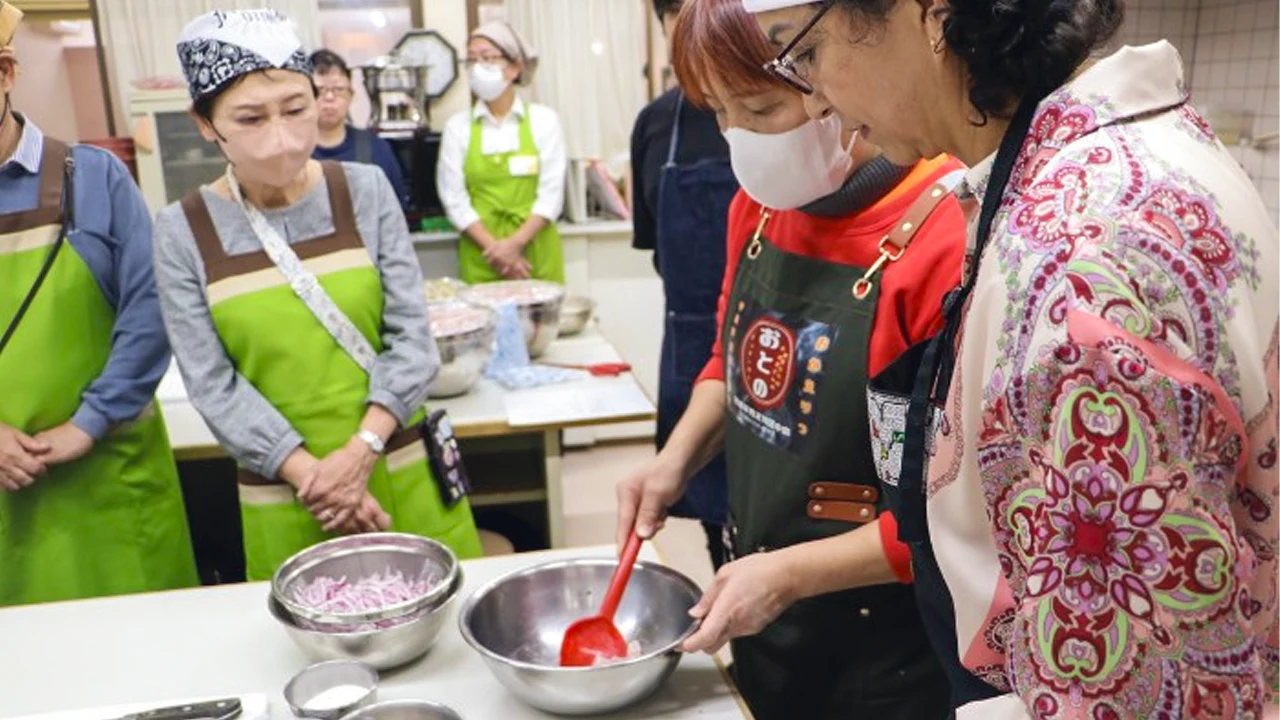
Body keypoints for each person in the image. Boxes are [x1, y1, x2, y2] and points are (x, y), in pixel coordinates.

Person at [744, 0, 1280, 717]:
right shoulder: (1132, 153)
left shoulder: (1080, 263)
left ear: (928, 13)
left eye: (802, 50)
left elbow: (1130, 689)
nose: (814, 96)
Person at [615, 0, 967, 716]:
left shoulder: (943, 233)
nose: (739, 140)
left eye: (760, 110)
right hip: (768, 613)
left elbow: (948, 514)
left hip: (884, 651)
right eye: (717, 113)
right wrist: (674, 460)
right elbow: (731, 363)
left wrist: (787, 575)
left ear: (829, 76)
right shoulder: (764, 203)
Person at [154, 9, 482, 582]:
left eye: (296, 108)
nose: (280, 136)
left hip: (397, 460)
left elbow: (411, 337)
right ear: (205, 123)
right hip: (288, 493)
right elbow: (212, 383)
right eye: (251, 117)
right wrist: (316, 477)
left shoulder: (364, 190)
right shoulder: (181, 231)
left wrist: (360, 454)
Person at [0, 0, 197, 605]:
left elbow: (150, 308)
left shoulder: (92, 177)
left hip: (110, 476)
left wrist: (88, 423)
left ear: (6, 73)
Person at [630, 0, 738, 571]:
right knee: (716, 531)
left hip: (781, 346)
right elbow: (657, 250)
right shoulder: (655, 124)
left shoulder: (790, 120)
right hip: (691, 350)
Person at [436, 22, 566, 284]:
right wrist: (497, 250)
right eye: (471, 60)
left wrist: (514, 245)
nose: (477, 67)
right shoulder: (457, 127)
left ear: (515, 66)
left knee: (542, 324)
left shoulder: (544, 121)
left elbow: (551, 194)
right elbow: (453, 197)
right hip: (482, 253)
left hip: (535, 251)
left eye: (488, 57)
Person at [310, 49, 410, 214]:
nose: (329, 97)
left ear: (351, 95)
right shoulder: (292, 154)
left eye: (338, 90)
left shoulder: (377, 149)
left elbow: (397, 214)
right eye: (319, 90)